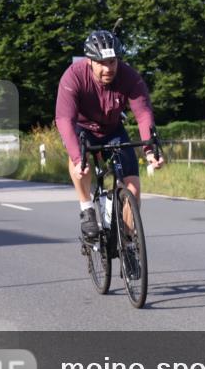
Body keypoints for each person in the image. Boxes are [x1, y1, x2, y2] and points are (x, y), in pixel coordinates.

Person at [55, 30, 164, 241]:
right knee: (80, 161)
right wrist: (78, 159)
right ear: (89, 61)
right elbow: (64, 120)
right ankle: (87, 208)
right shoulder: (73, 76)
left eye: (112, 62)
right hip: (82, 128)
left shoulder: (129, 77)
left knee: (132, 188)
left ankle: (129, 241)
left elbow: (143, 114)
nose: (108, 68)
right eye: (101, 63)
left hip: (113, 129)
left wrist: (150, 151)